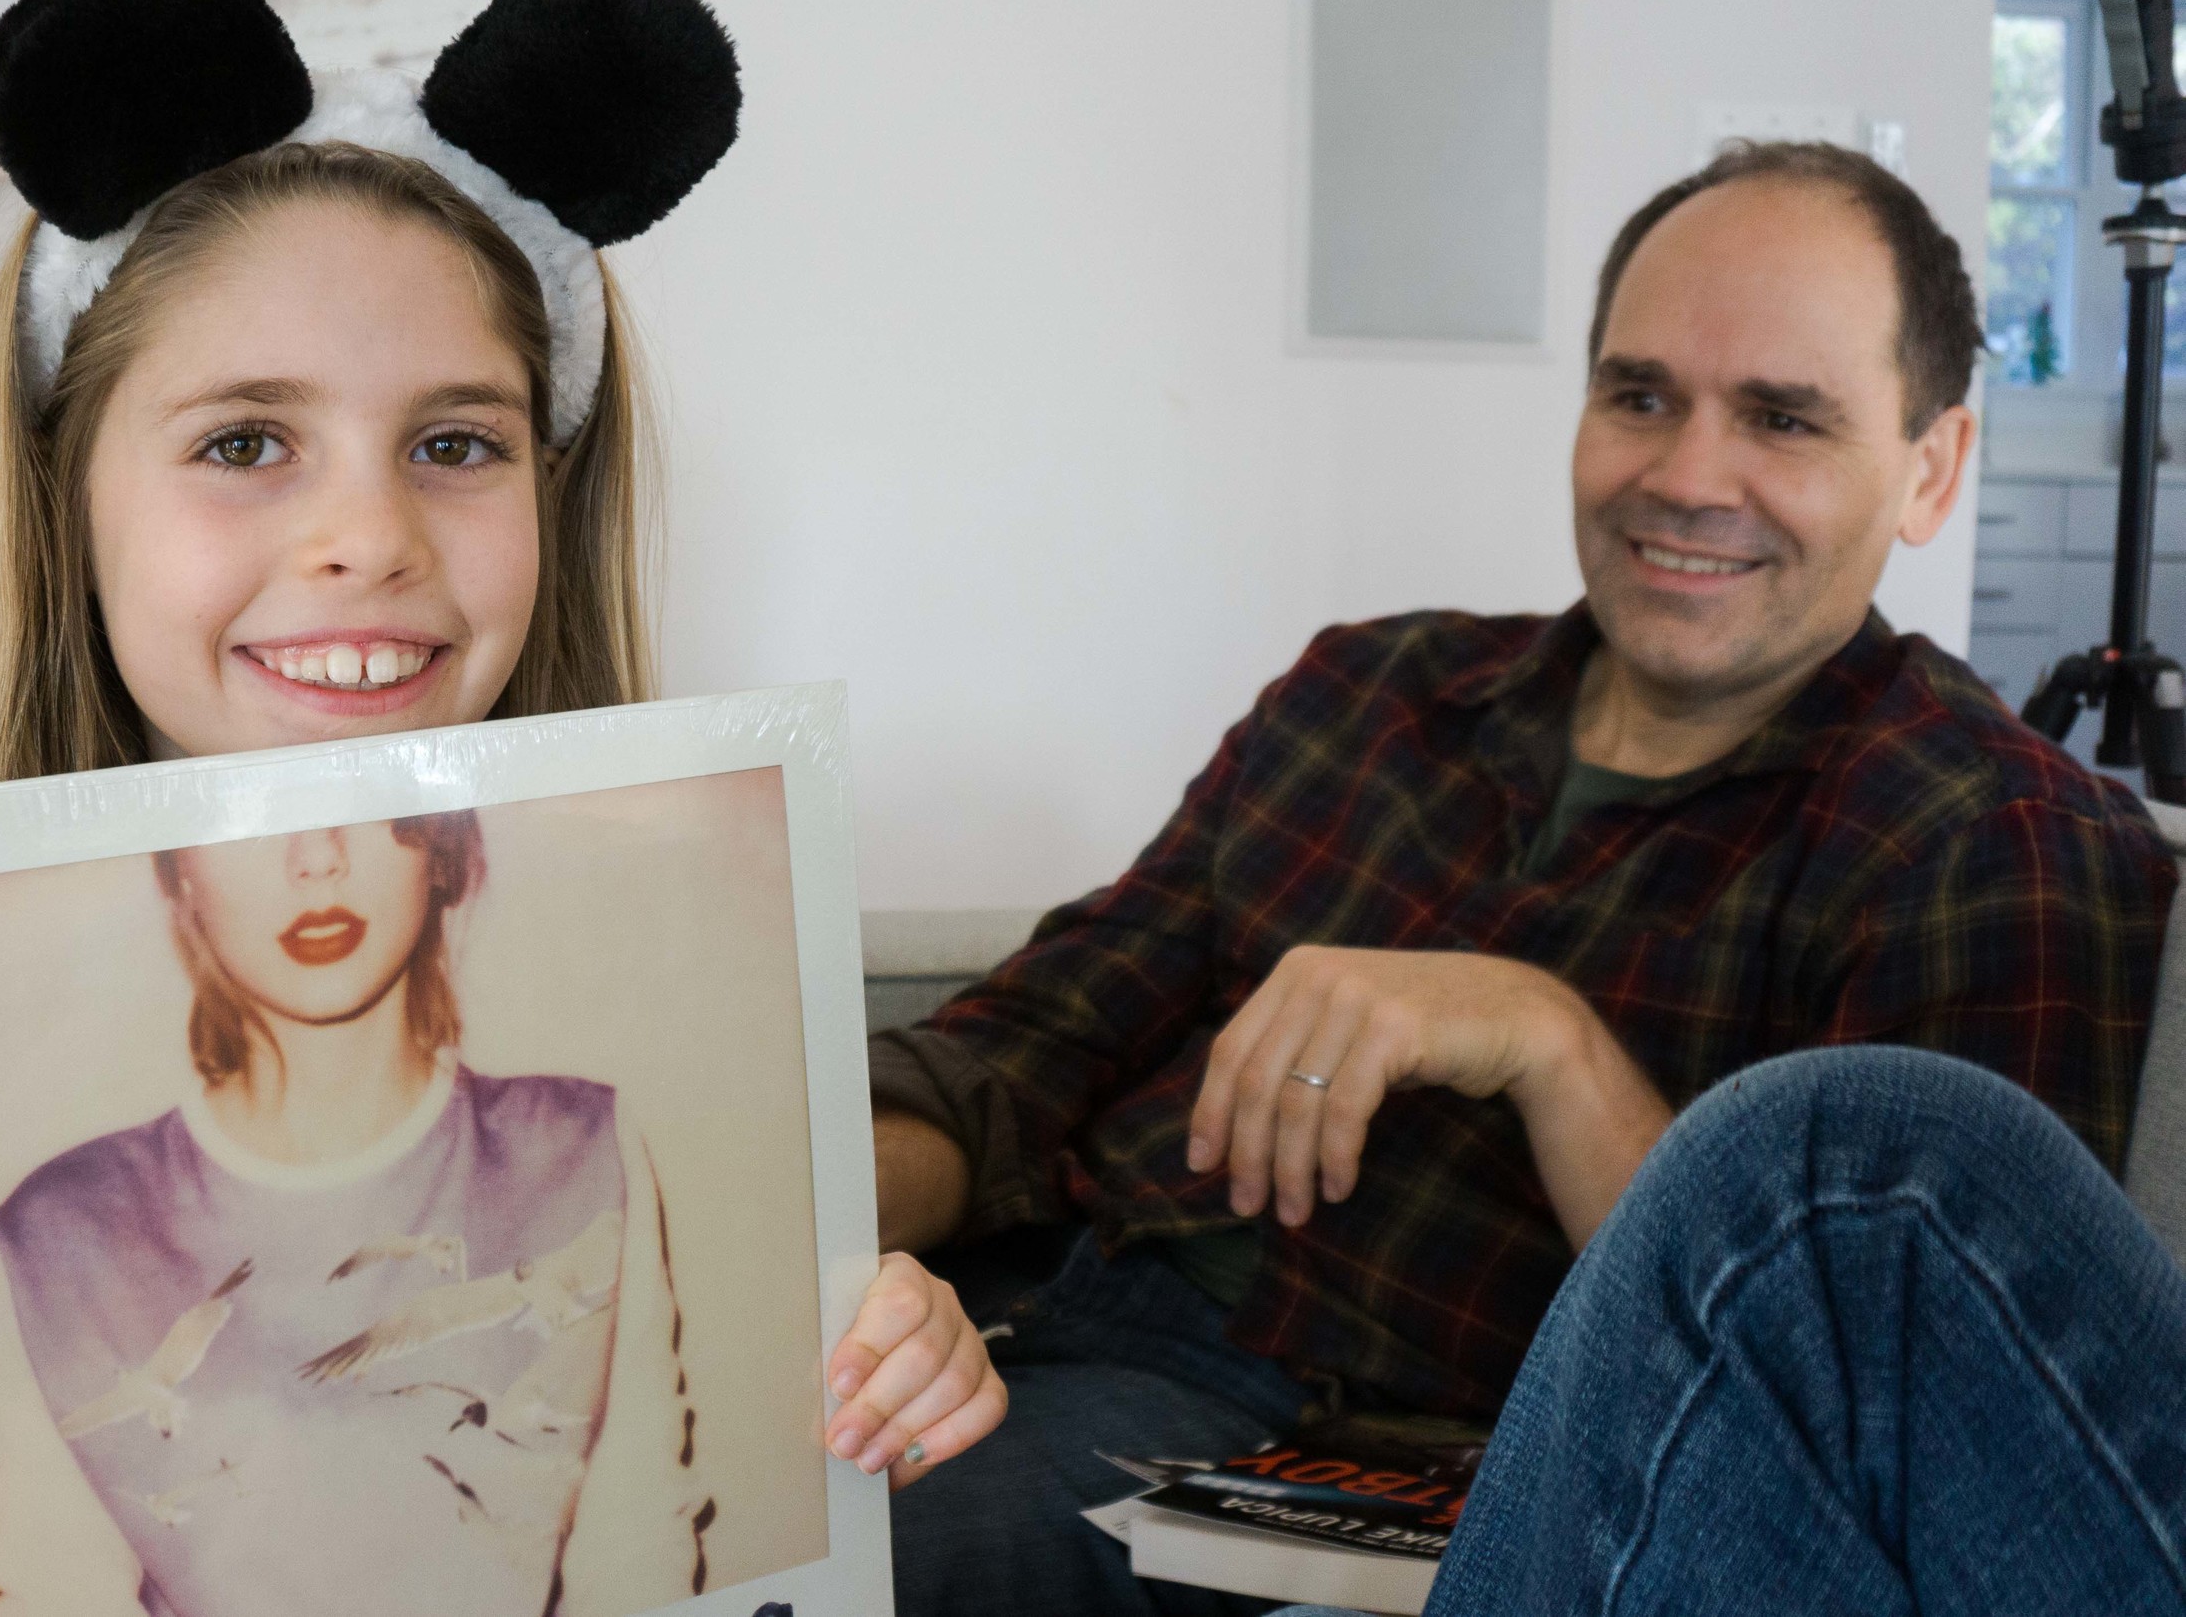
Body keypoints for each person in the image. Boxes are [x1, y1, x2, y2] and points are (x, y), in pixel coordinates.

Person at [0, 0, 1004, 1610]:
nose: (368, 537)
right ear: (66, 495)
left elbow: (704, 1503)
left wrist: (882, 1375)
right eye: (244, 442)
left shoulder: (640, 1109)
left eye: (455, 444)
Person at [867, 140, 2181, 1616]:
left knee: (823, 1578)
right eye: (1640, 397)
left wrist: (1549, 1043)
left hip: (1369, 1468)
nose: (1685, 477)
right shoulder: (1369, 691)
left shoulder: (1986, 837)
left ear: (1930, 465)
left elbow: (1888, 1401)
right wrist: (790, 1238)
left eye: (1782, 417)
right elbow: (1023, 1051)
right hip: (1003, 1313)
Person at [0, 811, 708, 1616]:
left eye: (366, 794)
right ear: (178, 866)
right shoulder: (60, 1236)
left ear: (443, 847)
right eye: (247, 812)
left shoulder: (580, 1151)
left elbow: (636, 1556)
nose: (317, 856)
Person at [1269, 1044, 2186, 1614]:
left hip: (1455, 1409)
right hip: (1225, 1333)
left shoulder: (1959, 841)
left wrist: (1556, 1049)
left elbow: (1965, 1356)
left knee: (1835, 1171)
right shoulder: (1340, 774)